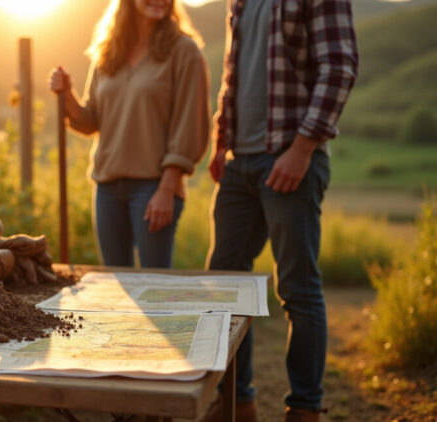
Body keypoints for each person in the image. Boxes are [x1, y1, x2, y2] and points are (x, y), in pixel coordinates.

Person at [205, 0, 358, 420]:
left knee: (297, 288)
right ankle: (238, 402)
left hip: (290, 158)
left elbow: (339, 67)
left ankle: (305, 410)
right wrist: (221, 139)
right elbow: (233, 75)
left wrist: (302, 148)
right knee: (223, 285)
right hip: (241, 163)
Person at [48, 0, 210, 269]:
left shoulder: (185, 51)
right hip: (107, 187)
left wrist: (167, 188)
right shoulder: (108, 52)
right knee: (116, 285)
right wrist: (67, 95)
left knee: (153, 286)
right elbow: (91, 121)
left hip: (154, 187)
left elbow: (190, 126)